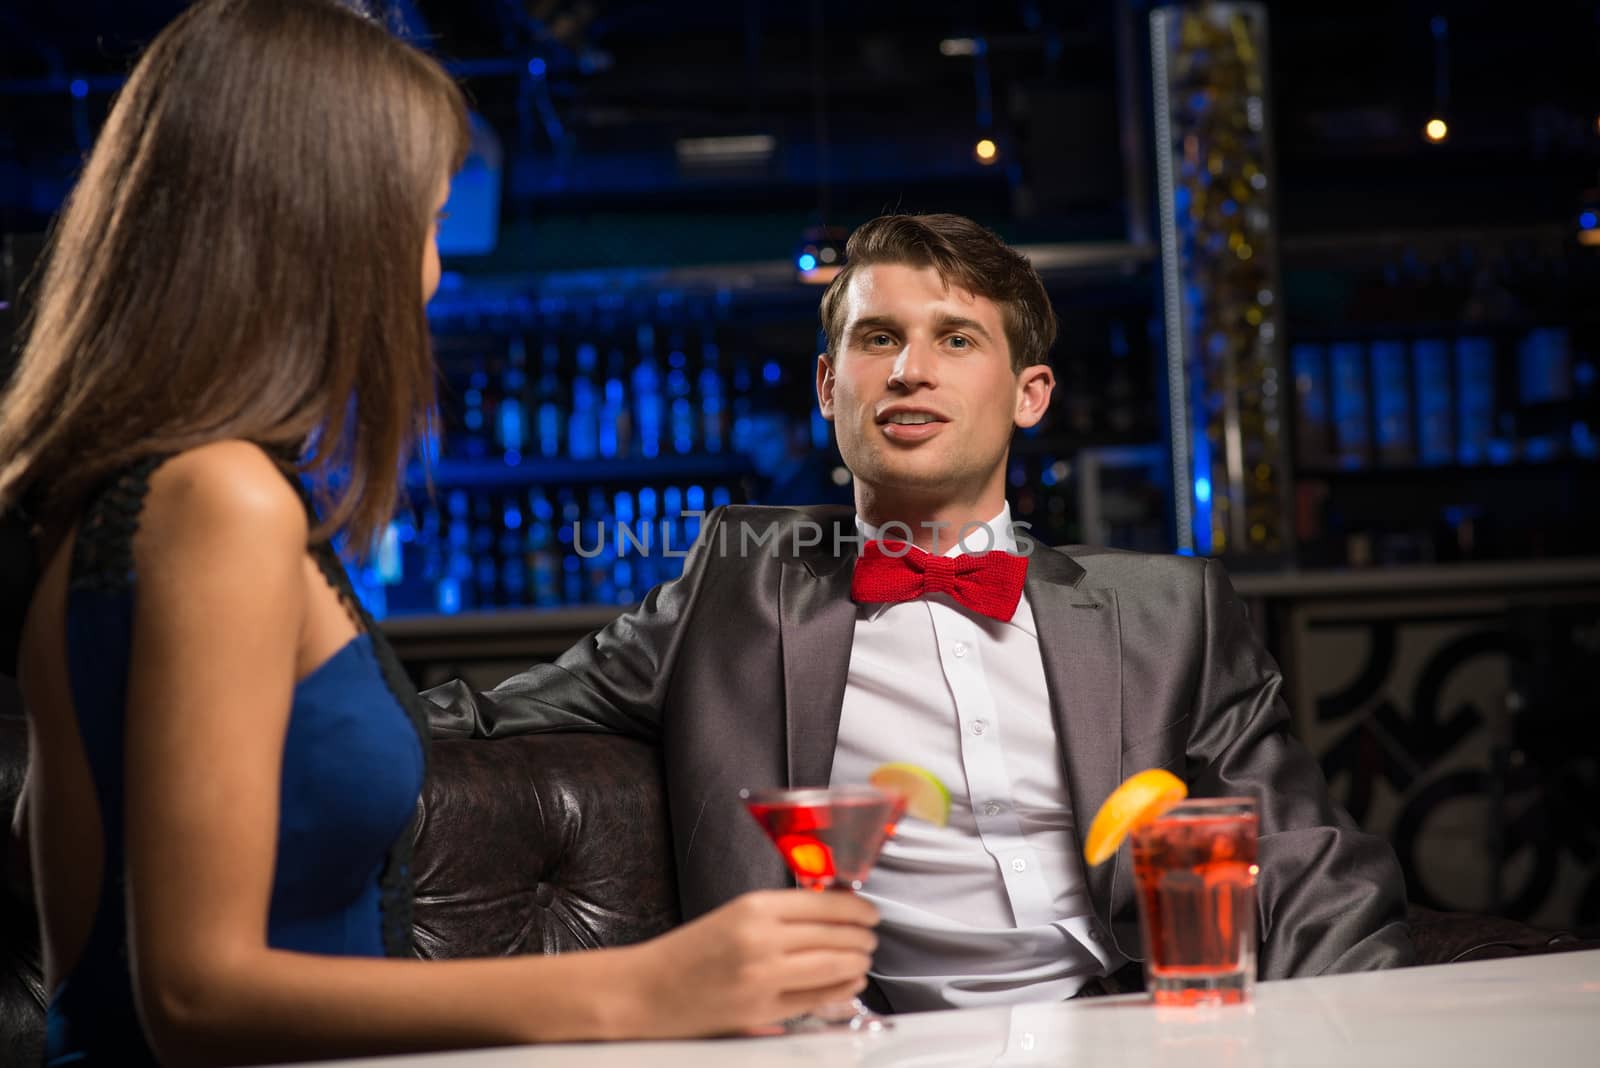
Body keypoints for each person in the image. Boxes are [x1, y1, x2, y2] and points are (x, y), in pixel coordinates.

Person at [0, 2, 878, 1063]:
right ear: (322, 228)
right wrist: (642, 985)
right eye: (420, 222)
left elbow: (80, 927)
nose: (429, 274)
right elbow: (192, 998)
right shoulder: (217, 502)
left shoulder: (126, 497)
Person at [426, 212, 1417, 1013]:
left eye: (955, 339)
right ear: (829, 384)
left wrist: (1337, 1034)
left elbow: (1307, 857)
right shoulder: (730, 594)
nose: (909, 370)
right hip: (875, 1040)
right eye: (877, 338)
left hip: (1142, 1018)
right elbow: (481, 715)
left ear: (1029, 395)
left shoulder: (1173, 612)